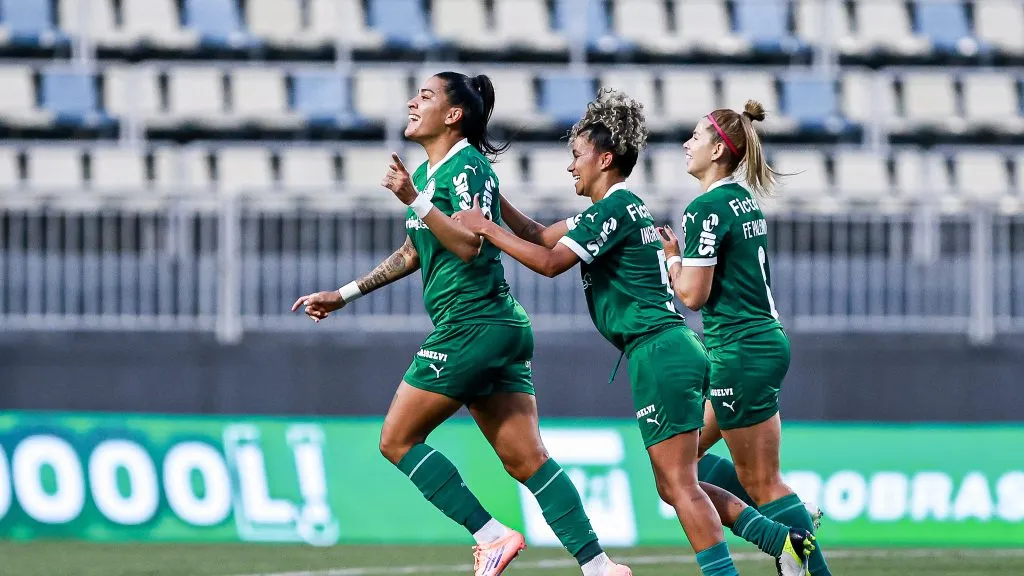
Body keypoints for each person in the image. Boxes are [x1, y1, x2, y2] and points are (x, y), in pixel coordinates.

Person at [453, 88, 813, 576]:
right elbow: (539, 234)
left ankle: (746, 560)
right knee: (677, 483)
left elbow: (549, 262)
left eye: (576, 156)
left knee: (681, 485)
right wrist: (494, 203)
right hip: (673, 349)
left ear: (604, 159)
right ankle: (783, 540)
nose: (569, 167)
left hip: (660, 351)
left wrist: (488, 230)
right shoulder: (618, 208)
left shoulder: (614, 210)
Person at [291, 72, 631, 576]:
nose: (412, 101)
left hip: (472, 324)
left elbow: (472, 242)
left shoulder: (467, 166)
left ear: (453, 116)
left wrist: (413, 199)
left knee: (397, 440)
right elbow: (414, 251)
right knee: (527, 460)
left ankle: (491, 535)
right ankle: (599, 566)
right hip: (493, 327)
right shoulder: (434, 176)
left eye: (425, 96)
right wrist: (343, 295)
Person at [658, 100, 833, 576]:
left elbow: (693, 295)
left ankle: (792, 533)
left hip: (740, 351)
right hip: (752, 347)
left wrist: (670, 263)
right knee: (679, 468)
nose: (686, 145)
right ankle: (790, 518)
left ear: (718, 149)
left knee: (761, 481)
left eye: (694, 137)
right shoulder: (742, 200)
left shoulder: (706, 207)